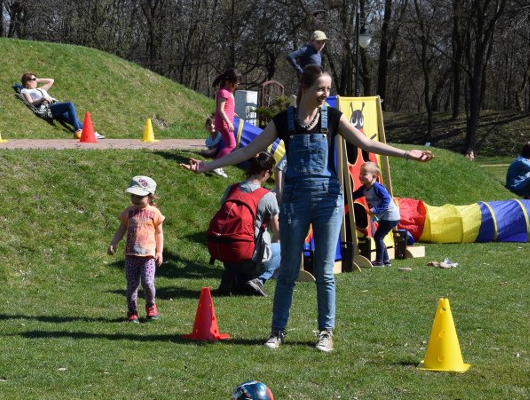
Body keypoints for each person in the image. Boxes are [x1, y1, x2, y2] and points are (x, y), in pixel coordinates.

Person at [182, 64, 434, 352]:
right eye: (320, 89)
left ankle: (325, 332)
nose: (325, 94)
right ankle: (277, 332)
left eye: (328, 89)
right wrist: (207, 166)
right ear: (305, 88)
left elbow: (366, 142)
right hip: (294, 202)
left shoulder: (333, 118)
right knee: (288, 270)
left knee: (325, 272)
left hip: (328, 200)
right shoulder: (284, 121)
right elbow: (247, 152)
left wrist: (408, 154)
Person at [216, 152, 281, 297]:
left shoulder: (232, 189)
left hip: (225, 252)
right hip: (249, 257)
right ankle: (258, 280)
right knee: (283, 249)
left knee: (244, 259)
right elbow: (277, 232)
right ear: (266, 172)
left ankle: (234, 277)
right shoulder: (268, 196)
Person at [107, 176, 165, 323]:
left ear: (150, 196)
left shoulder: (154, 213)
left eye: (140, 196)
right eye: (133, 195)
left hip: (148, 257)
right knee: (132, 285)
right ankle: (132, 312)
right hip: (131, 256)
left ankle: (150, 305)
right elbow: (122, 229)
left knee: (147, 282)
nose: (135, 199)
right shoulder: (128, 211)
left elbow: (159, 233)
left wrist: (159, 252)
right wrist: (113, 243)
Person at [19, 72, 102, 140]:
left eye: (35, 79)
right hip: (48, 108)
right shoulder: (25, 90)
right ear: (28, 82)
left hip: (55, 105)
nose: (36, 81)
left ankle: (91, 133)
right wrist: (43, 98)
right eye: (33, 79)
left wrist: (37, 79)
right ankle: (77, 130)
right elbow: (31, 103)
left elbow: (51, 80)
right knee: (69, 105)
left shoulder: (40, 89)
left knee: (73, 120)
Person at [352, 162, 400, 267]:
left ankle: (379, 261)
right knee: (379, 237)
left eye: (364, 174)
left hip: (391, 216)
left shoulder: (377, 187)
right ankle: (386, 260)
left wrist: (377, 210)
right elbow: (354, 195)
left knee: (378, 237)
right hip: (384, 216)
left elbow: (387, 200)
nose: (360, 176)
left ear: (374, 176)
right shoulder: (364, 188)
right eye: (360, 173)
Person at [213, 68, 241, 162]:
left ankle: (217, 164)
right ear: (227, 82)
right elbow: (220, 110)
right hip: (224, 123)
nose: (237, 84)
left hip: (226, 122)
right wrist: (229, 123)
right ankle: (216, 165)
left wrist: (232, 112)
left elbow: (226, 108)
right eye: (235, 82)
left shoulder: (229, 92)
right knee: (231, 145)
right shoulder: (223, 92)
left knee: (229, 144)